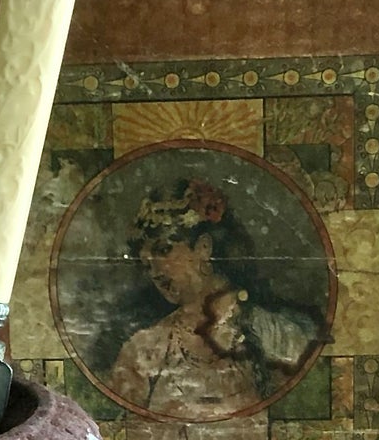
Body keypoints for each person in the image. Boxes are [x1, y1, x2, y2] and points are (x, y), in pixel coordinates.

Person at [107, 178, 325, 421]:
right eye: (146, 264)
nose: (155, 272)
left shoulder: (280, 336)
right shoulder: (142, 351)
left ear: (204, 247)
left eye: (163, 251)